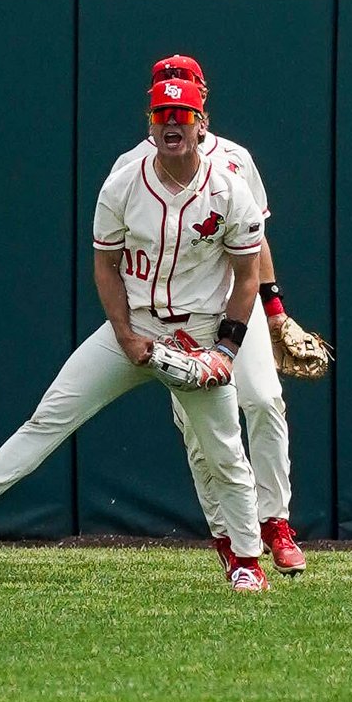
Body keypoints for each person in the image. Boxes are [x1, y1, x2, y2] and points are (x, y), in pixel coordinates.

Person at [0, 76, 272, 592]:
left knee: (225, 452)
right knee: (51, 413)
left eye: (182, 115)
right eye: (162, 116)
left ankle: (248, 561)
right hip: (136, 325)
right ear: (150, 122)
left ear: (200, 123)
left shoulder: (228, 188)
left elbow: (247, 275)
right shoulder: (124, 181)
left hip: (198, 334)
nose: (172, 124)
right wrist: (124, 335)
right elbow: (105, 266)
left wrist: (226, 350)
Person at [108, 54, 307, 581]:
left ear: (201, 103)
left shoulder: (236, 160)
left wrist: (277, 311)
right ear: (151, 108)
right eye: (163, 93)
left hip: (237, 310)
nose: (173, 105)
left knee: (264, 400)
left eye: (184, 90)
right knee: (199, 435)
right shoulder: (130, 167)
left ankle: (275, 524)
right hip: (176, 319)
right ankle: (227, 536)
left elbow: (255, 244)